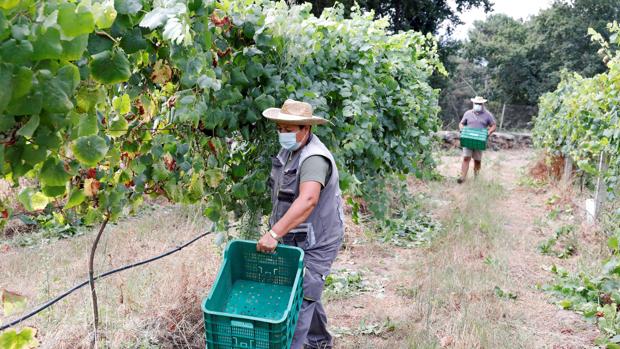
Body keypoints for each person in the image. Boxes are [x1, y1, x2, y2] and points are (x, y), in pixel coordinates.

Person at [257, 99, 344, 349]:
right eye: (280, 129)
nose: (283, 134)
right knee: (307, 287)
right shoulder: (289, 150)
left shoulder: (314, 158)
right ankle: (319, 343)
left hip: (319, 239)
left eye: (289, 129)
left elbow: (307, 200)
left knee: (302, 294)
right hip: (296, 236)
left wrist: (274, 233)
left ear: (306, 129)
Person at [458, 96, 497, 184]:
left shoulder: (488, 115)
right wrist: (462, 129)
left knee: (477, 160)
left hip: (479, 140)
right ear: (473, 103)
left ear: (483, 104)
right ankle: (462, 177)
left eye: (479, 104)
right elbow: (461, 123)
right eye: (476, 103)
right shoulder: (468, 113)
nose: (477, 105)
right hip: (468, 138)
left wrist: (488, 132)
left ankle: (476, 178)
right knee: (466, 158)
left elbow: (493, 125)